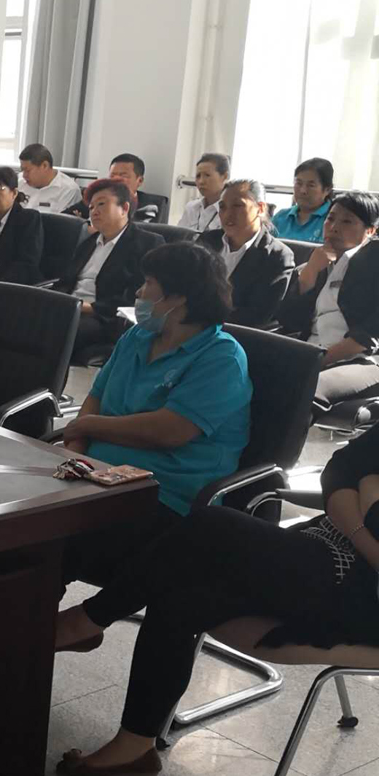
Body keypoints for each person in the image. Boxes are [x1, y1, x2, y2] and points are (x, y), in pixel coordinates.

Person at [51, 427, 379, 775]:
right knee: (182, 591)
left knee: (212, 525)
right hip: (327, 552)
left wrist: (365, 497)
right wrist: (364, 513)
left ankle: (87, 620)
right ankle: (135, 746)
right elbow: (342, 469)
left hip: (361, 595)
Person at [59, 241, 251, 587]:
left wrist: (87, 426)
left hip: (162, 493)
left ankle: (70, 617)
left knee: (54, 538)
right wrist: (76, 452)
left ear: (178, 297)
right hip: (97, 475)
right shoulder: (138, 336)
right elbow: (97, 395)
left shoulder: (222, 358)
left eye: (148, 283)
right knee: (18, 522)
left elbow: (170, 431)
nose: (139, 292)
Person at [276, 192, 379, 408]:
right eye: (330, 219)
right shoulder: (319, 262)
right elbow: (289, 321)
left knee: (306, 389)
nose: (334, 227)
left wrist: (315, 360)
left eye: (347, 221)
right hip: (311, 350)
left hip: (360, 360)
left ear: (370, 231)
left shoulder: (373, 263)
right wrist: (310, 272)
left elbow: (367, 337)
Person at [54, 179, 165, 359]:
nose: (94, 211)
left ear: (124, 208)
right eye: (91, 207)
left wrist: (87, 307)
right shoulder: (88, 243)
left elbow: (138, 295)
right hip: (69, 308)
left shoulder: (147, 243)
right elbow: (64, 282)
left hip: (104, 318)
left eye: (102, 204)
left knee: (56, 331)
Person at [195, 178, 295, 328]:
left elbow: (257, 316)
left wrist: (203, 319)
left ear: (260, 208)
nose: (228, 214)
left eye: (237, 206)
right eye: (222, 207)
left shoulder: (277, 256)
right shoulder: (207, 241)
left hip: (230, 333)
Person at [69, 154, 166, 222]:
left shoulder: (148, 206)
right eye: (112, 175)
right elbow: (66, 218)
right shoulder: (96, 198)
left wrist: (90, 225)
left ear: (139, 181)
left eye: (123, 176)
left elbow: (136, 231)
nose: (116, 180)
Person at [272, 157, 335, 243]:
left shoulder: (333, 221)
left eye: (311, 185)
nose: (303, 191)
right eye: (299, 183)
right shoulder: (281, 217)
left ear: (327, 190)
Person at [17, 143, 83, 213]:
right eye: (22, 170)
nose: (24, 175)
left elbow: (62, 219)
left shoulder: (68, 190)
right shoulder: (19, 182)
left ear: (45, 166)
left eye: (28, 171)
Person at [177, 153, 230, 232]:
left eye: (207, 175)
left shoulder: (232, 212)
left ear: (225, 176)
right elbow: (178, 236)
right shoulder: (191, 208)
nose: (201, 181)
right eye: (198, 176)